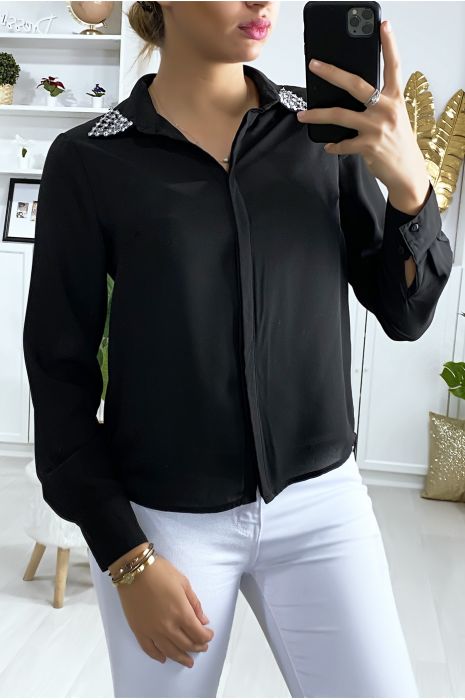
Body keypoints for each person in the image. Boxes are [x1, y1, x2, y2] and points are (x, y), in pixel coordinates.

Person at [22, 1, 453, 697]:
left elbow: (404, 315)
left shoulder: (320, 133)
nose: (261, 2)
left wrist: (409, 186)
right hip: (163, 524)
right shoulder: (90, 158)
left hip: (322, 504)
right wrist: (125, 556)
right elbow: (58, 376)